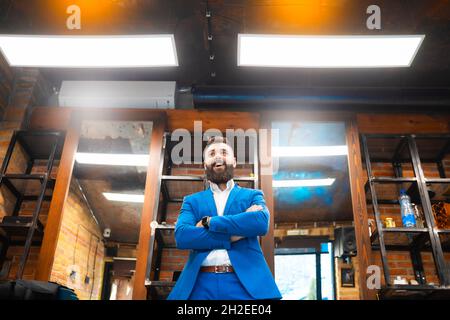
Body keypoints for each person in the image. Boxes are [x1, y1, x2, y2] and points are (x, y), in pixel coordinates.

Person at [167, 136, 281, 300]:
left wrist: (209, 222)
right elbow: (182, 236)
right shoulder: (191, 201)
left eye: (224, 152)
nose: (218, 156)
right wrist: (234, 235)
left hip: (244, 284)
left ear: (234, 161)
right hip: (199, 284)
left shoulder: (252, 195)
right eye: (212, 153)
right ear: (205, 164)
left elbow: (261, 223)